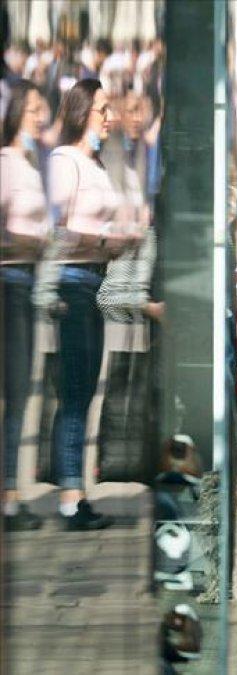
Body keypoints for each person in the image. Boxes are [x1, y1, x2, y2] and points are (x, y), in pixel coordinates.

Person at [36, 79, 134, 530]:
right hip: (73, 282)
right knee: (74, 392)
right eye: (102, 109)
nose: (110, 117)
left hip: (94, 279)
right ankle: (71, 500)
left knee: (83, 390)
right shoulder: (65, 161)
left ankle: (75, 494)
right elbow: (56, 231)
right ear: (82, 112)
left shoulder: (95, 163)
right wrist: (105, 241)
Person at [2, 80, 50, 531]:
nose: (41, 117)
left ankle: (11, 496)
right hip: (10, 281)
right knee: (11, 394)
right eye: (34, 109)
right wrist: (30, 242)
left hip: (25, 281)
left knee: (18, 395)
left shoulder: (30, 165)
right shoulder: (7, 165)